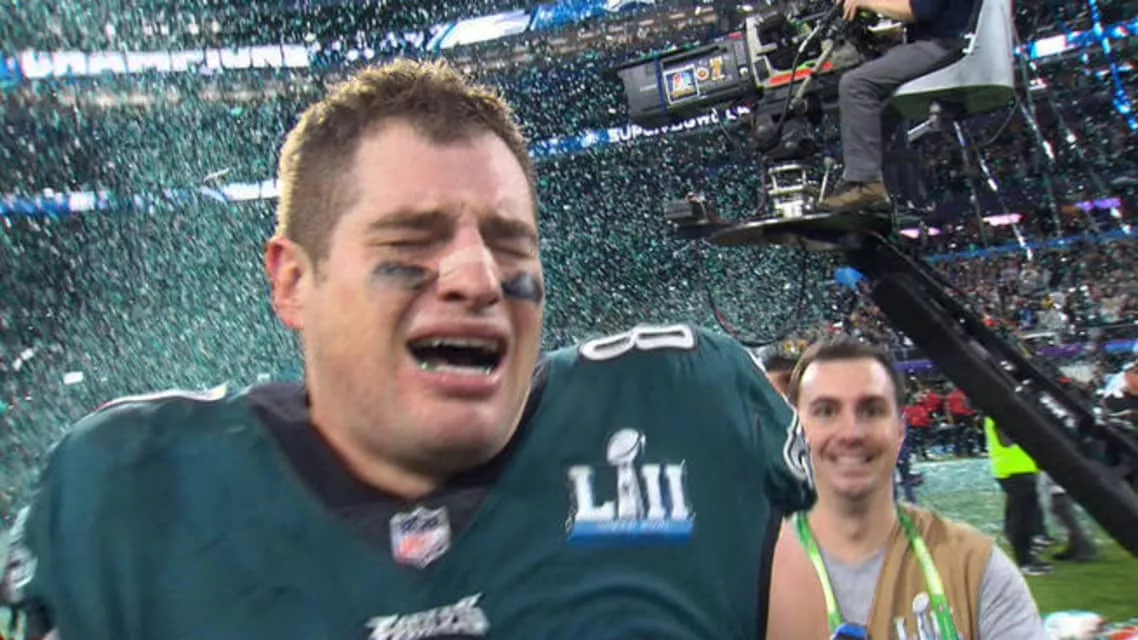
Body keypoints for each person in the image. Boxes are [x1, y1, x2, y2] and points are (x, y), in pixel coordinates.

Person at [1, 59, 815, 639]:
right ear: (293, 282)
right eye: (411, 241)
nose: (478, 277)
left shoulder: (684, 418)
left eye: (509, 243)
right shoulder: (134, 494)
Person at [767, 338, 1047, 640]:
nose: (851, 432)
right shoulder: (757, 578)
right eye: (825, 411)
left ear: (899, 430)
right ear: (795, 430)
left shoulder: (974, 567)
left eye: (872, 410)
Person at [817, 0, 979, 213]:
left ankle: (866, 183)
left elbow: (916, 11)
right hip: (947, 42)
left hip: (944, 46)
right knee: (881, 108)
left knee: (855, 84)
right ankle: (876, 189)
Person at [983, 417, 1053, 576]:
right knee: (1022, 519)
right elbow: (1006, 441)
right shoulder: (1000, 415)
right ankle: (1025, 561)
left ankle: (1026, 556)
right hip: (1014, 470)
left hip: (1019, 469)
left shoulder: (999, 414)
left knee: (1021, 516)